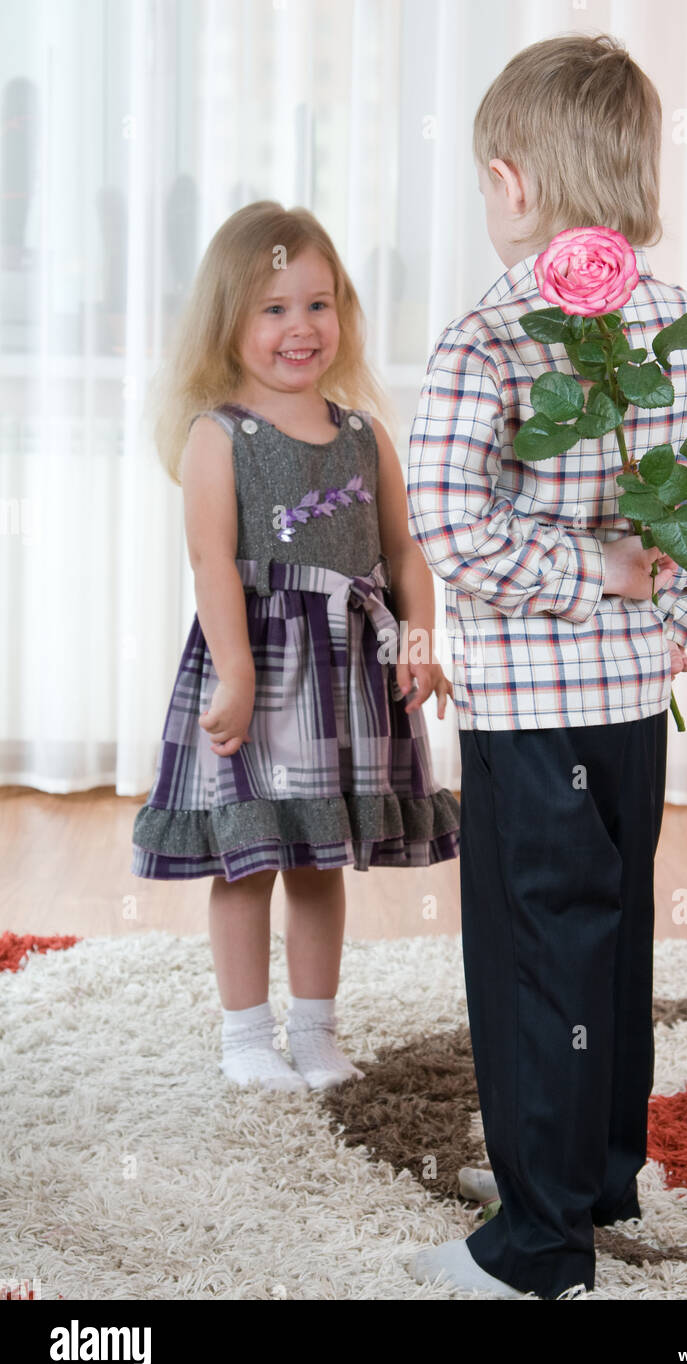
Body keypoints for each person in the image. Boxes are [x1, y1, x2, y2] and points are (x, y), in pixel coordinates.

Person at [406, 34, 687, 1298]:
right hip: (630, 708)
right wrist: (682, 601)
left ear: (511, 184)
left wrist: (601, 577)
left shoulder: (491, 332)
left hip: (533, 717)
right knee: (610, 940)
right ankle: (590, 1169)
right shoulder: (683, 327)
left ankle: (536, 1247)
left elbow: (451, 524)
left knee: (536, 953)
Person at [131, 202, 460, 1094]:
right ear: (227, 322)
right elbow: (210, 564)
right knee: (250, 858)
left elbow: (403, 551)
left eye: (317, 304)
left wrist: (417, 640)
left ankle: (314, 1031)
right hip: (262, 667)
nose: (299, 328)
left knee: (320, 856)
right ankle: (245, 1037)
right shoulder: (220, 437)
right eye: (273, 309)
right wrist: (234, 673)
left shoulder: (363, 436)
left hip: (347, 670)